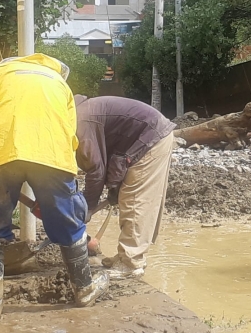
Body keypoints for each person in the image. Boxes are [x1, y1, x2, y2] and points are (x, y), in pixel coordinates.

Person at [0, 54, 108, 322]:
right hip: (51, 155)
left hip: (1, 151)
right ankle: (84, 289)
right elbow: (69, 129)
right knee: (68, 218)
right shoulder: (59, 83)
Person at [75, 95, 176, 279]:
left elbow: (96, 170)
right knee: (128, 198)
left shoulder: (80, 121)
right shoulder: (82, 114)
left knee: (135, 200)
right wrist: (114, 186)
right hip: (141, 139)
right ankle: (127, 256)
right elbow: (103, 159)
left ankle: (130, 263)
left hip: (151, 139)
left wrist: (88, 207)